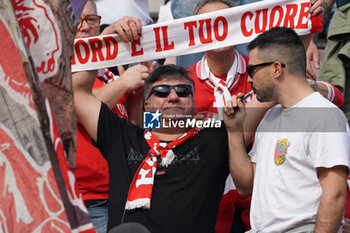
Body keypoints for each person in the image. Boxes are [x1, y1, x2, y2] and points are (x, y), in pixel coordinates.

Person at [72, 63, 263, 233]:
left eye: (183, 91)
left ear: (194, 103)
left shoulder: (215, 138)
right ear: (146, 105)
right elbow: (77, 93)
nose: (173, 97)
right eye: (162, 91)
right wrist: (105, 45)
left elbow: (266, 97)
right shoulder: (122, 136)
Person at [225, 27, 350, 233]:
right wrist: (234, 131)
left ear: (276, 69)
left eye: (252, 70)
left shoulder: (324, 115)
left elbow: (334, 195)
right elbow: (246, 185)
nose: (248, 80)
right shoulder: (271, 117)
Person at [73, 1, 153, 232]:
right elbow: (76, 105)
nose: (85, 26)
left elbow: (130, 134)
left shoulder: (109, 73)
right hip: (85, 203)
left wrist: (136, 98)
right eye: (77, 20)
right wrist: (123, 84)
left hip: (122, 197)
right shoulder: (53, 69)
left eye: (91, 20)